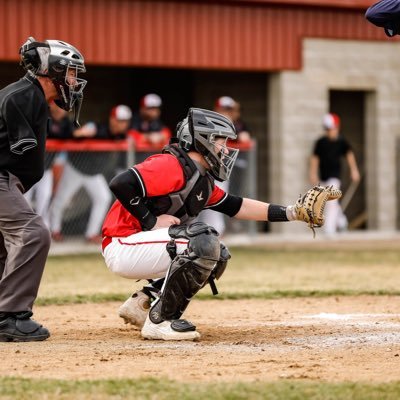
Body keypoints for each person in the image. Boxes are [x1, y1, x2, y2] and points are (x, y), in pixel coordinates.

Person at [101, 107, 339, 341]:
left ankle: (144, 303)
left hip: (138, 246)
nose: (225, 150)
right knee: (203, 243)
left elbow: (237, 206)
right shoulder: (171, 164)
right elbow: (121, 183)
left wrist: (293, 213)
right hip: (122, 243)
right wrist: (151, 221)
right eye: (221, 142)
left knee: (218, 253)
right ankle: (160, 321)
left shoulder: (200, 179)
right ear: (203, 140)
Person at [0, 37, 86, 341]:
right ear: (55, 69)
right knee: (33, 234)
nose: (75, 81)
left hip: (10, 181)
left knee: (4, 247)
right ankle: (10, 316)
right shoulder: (24, 95)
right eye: (72, 72)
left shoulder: (30, 96)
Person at [49, 106, 131, 243]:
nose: (121, 124)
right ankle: (54, 230)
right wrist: (80, 133)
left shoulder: (123, 135)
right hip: (76, 169)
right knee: (61, 200)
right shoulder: (98, 128)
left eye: (124, 121)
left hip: (93, 173)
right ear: (112, 119)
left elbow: (134, 137)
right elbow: (77, 134)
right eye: (119, 120)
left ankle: (91, 234)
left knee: (103, 198)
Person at [24, 101, 74, 227]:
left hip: (46, 169)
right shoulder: (42, 117)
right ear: (51, 106)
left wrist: (74, 134)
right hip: (27, 169)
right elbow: (53, 133)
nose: (60, 110)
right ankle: (22, 231)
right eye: (57, 106)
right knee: (24, 201)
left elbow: (71, 134)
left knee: (44, 199)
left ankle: (43, 230)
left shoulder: (65, 122)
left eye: (63, 108)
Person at [309, 113, 360, 235]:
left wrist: (354, 170)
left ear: (337, 127)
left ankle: (329, 229)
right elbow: (314, 159)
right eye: (327, 129)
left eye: (331, 128)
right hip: (323, 176)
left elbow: (349, 154)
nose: (329, 131)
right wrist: (312, 173)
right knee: (329, 201)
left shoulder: (342, 141)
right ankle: (342, 221)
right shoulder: (321, 142)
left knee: (331, 201)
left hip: (335, 176)